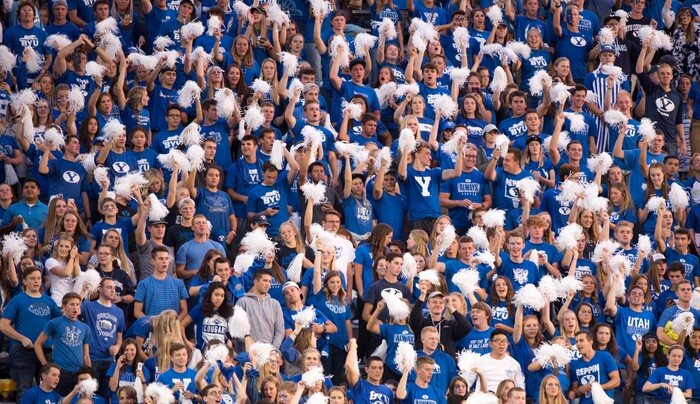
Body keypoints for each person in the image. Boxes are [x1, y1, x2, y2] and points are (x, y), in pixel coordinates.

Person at [0, 266, 61, 402]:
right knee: (24, 389)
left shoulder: (49, 301)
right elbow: (3, 325)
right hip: (23, 351)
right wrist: (21, 338)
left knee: (49, 388)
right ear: (24, 281)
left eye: (39, 278)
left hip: (46, 351)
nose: (36, 281)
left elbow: (60, 323)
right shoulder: (17, 300)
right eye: (32, 278)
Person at [34, 292, 92, 396]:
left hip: (78, 373)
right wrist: (45, 365)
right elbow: (37, 344)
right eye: (72, 304)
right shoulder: (55, 323)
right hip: (61, 373)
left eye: (77, 304)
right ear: (64, 307)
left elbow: (86, 355)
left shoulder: (85, 328)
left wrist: (90, 375)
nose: (75, 307)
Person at [80, 278, 126, 399]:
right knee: (90, 395)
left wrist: (117, 347)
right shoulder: (89, 306)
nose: (113, 291)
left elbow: (119, 337)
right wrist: (83, 291)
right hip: (92, 358)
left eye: (114, 288)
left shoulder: (119, 312)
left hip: (109, 360)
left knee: (106, 395)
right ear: (100, 289)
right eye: (109, 287)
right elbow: (75, 308)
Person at [134, 246, 189, 318]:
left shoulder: (178, 284)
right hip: (152, 326)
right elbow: (137, 312)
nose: (164, 261)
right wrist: (152, 322)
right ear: (152, 261)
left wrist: (174, 323)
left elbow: (184, 311)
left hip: (172, 327)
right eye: (161, 258)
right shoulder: (143, 284)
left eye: (166, 258)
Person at [235, 269, 285, 346]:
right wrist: (254, 346)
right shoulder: (242, 302)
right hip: (248, 353)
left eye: (269, 281)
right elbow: (236, 329)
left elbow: (280, 331)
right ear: (255, 282)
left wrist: (273, 349)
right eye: (265, 280)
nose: (268, 284)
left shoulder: (275, 304)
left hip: (269, 353)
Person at [568, 330, 620, 403]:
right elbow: (575, 391)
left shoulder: (605, 356)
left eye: (581, 340)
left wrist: (598, 388)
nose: (578, 344)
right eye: (576, 341)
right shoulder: (575, 364)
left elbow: (616, 381)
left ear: (590, 342)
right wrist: (579, 390)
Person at [345, 338, 393, 404]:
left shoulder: (388, 391)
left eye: (380, 368)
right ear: (366, 369)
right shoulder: (360, 385)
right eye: (374, 368)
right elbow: (349, 367)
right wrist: (353, 345)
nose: (377, 371)